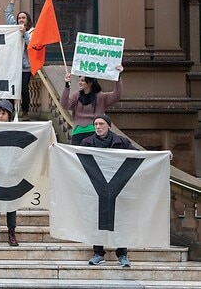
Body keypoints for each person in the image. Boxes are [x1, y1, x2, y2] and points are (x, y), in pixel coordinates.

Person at [81, 114, 134, 267]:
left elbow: (138, 155)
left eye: (101, 124)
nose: (98, 127)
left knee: (119, 221)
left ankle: (122, 254)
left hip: (117, 187)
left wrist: (161, 155)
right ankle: (98, 253)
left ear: (109, 126)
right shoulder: (87, 143)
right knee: (97, 221)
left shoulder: (122, 142)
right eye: (96, 124)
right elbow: (72, 155)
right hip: (96, 188)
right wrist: (56, 149)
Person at [61, 65, 124, 145]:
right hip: (78, 133)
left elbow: (116, 96)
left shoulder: (101, 96)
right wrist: (67, 86)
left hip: (95, 132)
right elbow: (65, 105)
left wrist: (118, 77)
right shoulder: (76, 96)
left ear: (90, 82)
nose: (80, 82)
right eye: (79, 80)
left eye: (83, 81)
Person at [0, 100, 19, 247]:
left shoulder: (16, 130)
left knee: (11, 203)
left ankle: (11, 232)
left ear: (9, 115)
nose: (0, 116)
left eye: (3, 113)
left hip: (11, 171)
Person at [6, 0, 34, 120]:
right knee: (11, 90)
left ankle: (25, 111)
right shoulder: (14, 29)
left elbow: (31, 45)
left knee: (24, 90)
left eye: (23, 18)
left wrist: (24, 34)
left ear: (27, 20)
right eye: (19, 18)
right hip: (13, 66)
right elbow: (8, 15)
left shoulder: (32, 31)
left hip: (25, 67)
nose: (21, 20)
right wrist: (12, 1)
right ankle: (9, 111)